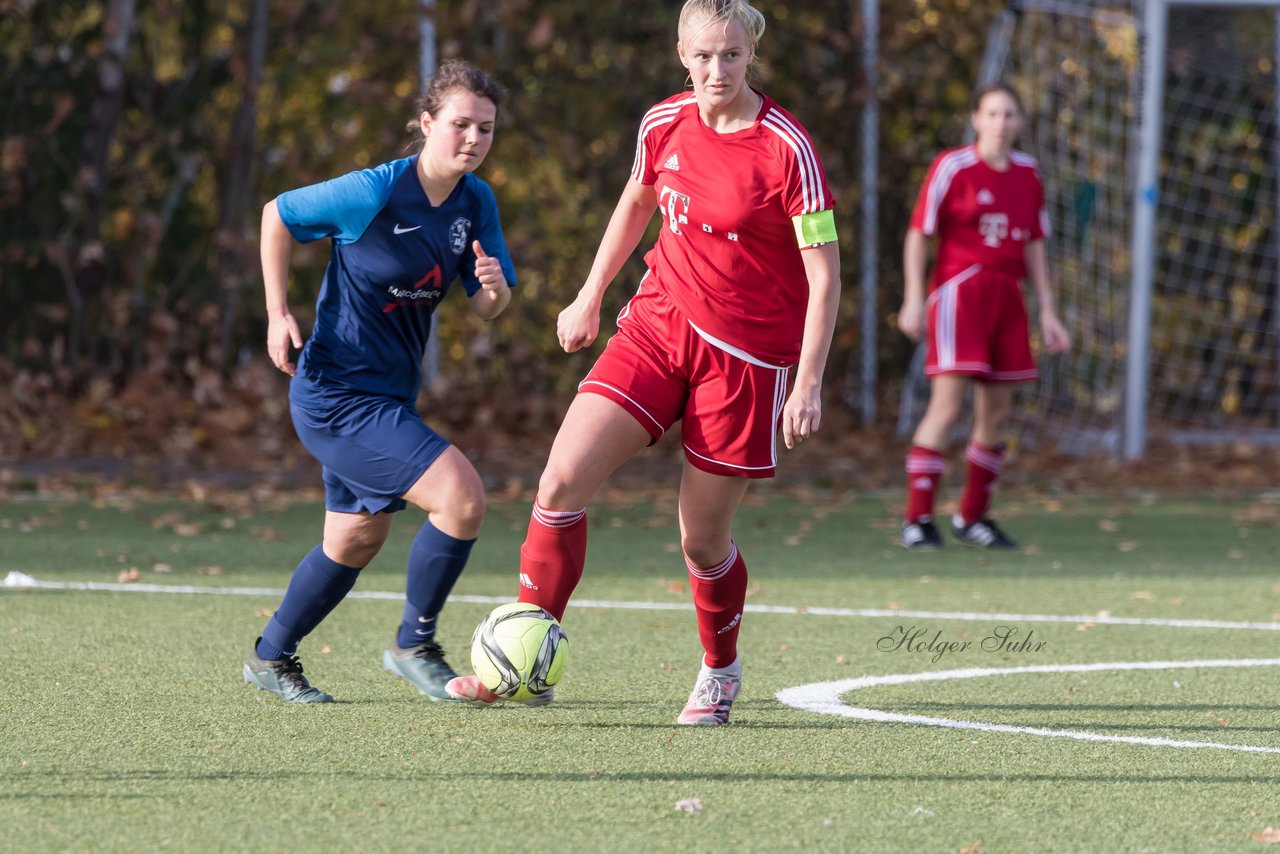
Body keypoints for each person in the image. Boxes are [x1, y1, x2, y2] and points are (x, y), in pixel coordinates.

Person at [444, 0, 841, 725]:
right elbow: (637, 202)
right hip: (658, 326)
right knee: (561, 480)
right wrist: (589, 295)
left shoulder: (788, 148)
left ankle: (720, 671)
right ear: (680, 53)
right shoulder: (664, 122)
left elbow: (824, 273)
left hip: (747, 361)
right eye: (701, 56)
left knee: (702, 538)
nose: (714, 70)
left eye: (729, 55)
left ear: (750, 55)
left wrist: (807, 381)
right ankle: (526, 658)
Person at [242, 60, 517, 703]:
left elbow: (486, 303)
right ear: (426, 125)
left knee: (356, 537)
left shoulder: (476, 203)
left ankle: (270, 657)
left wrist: (495, 293)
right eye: (459, 125)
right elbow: (276, 215)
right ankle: (414, 644)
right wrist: (278, 311)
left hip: (389, 394)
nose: (473, 139)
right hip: (336, 394)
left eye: (485, 128)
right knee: (462, 497)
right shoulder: (375, 190)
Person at [897, 81, 1070, 551]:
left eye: (1009, 115)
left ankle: (973, 517)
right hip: (960, 294)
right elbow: (919, 233)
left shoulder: (1028, 173)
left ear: (1020, 122)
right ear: (977, 119)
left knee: (997, 414)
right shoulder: (953, 166)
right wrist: (914, 297)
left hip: (1007, 297)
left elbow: (1035, 243)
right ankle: (917, 519)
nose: (1001, 123)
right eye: (992, 114)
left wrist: (1049, 312)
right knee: (948, 406)